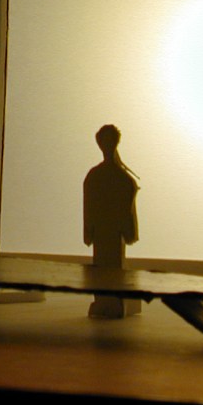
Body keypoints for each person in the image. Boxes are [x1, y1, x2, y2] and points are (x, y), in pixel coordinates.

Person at [83, 124, 141, 318]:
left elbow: (126, 205)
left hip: (112, 231)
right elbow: (89, 203)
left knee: (114, 265)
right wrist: (89, 230)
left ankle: (114, 303)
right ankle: (104, 302)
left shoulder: (117, 177)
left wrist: (128, 230)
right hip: (103, 230)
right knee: (101, 266)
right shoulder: (98, 175)